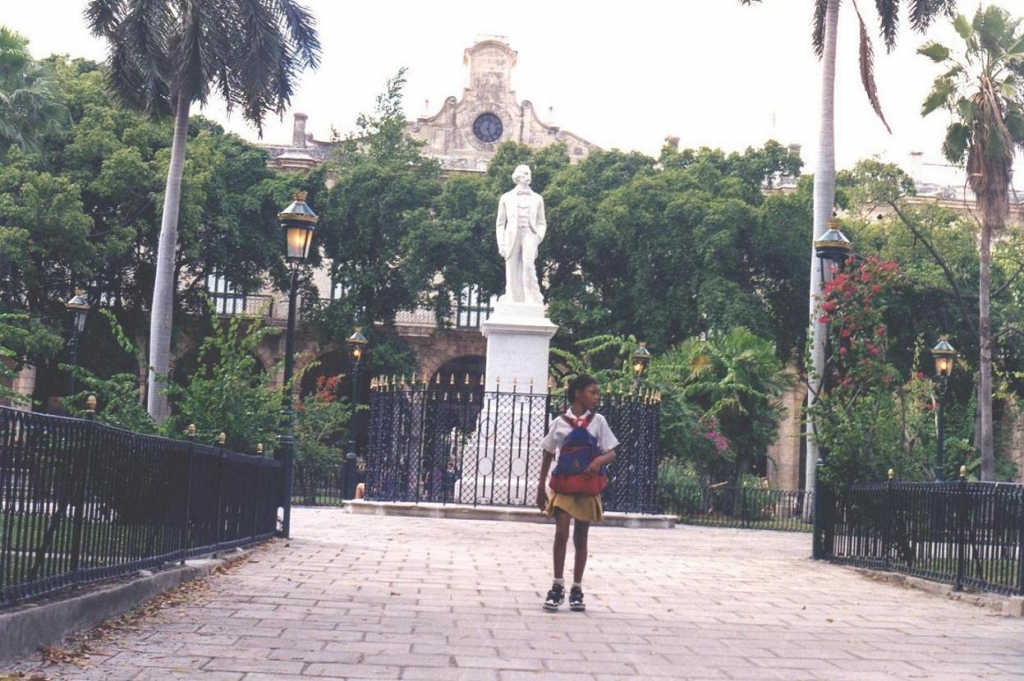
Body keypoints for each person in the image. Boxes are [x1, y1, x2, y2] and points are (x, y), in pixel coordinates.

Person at [536, 375, 619, 612]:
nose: (597, 396)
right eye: (593, 392)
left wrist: (598, 461)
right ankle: (557, 584)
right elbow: (548, 453)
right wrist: (541, 486)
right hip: (564, 483)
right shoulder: (559, 422)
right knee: (561, 531)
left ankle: (577, 587)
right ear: (577, 393)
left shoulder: (598, 421)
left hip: (587, 483)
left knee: (581, 537)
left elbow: (611, 451)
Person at [495, 164, 546, 304]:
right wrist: (501, 244)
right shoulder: (506, 197)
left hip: (529, 234)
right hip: (512, 235)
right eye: (525, 174)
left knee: (528, 265)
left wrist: (538, 237)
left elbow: (542, 222)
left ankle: (529, 296)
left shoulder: (538, 198)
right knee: (511, 266)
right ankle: (511, 296)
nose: (528, 176)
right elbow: (500, 224)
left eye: (529, 174)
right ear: (517, 177)